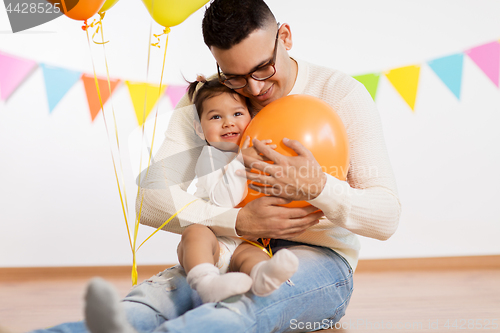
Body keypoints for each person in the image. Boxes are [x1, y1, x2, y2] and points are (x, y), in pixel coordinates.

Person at [32, 0, 401, 332]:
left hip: (319, 259)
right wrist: (238, 221)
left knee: (246, 308)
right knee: (147, 307)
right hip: (225, 247)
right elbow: (150, 201)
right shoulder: (210, 99)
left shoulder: (340, 93)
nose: (254, 90)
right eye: (235, 76)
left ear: (284, 37)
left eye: (263, 68)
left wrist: (318, 187)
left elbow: (386, 216)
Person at [176, 76, 299, 304]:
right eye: (215, 117)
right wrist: (241, 160)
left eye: (237, 114)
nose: (228, 123)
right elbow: (224, 200)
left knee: (251, 256)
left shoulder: (249, 152)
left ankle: (262, 275)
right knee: (194, 233)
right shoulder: (211, 156)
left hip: (243, 242)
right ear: (199, 129)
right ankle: (207, 283)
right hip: (212, 243)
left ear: (251, 119)